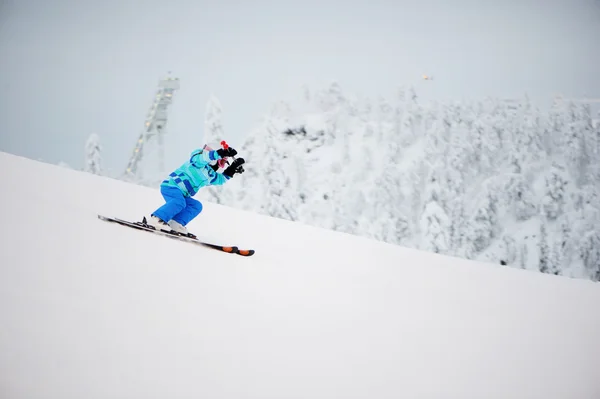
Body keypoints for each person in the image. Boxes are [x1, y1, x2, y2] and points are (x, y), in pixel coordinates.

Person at [145, 143, 245, 237]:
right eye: (221, 162)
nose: (220, 166)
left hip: (183, 194)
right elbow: (201, 159)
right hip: (172, 186)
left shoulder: (210, 174)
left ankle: (176, 223)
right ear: (215, 159)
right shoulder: (197, 161)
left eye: (224, 163)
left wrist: (232, 169)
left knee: (196, 206)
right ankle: (157, 220)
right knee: (179, 202)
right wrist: (219, 153)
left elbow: (220, 179)